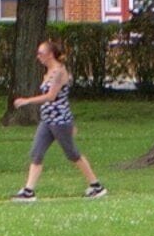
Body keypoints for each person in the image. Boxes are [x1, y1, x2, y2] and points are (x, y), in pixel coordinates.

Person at [12, 37, 105, 200]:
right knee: (36, 153)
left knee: (72, 154)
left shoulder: (60, 72)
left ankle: (96, 186)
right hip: (47, 120)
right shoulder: (47, 73)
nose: (38, 56)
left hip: (60, 121)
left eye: (41, 53)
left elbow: (51, 96)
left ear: (50, 54)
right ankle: (28, 191)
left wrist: (27, 101)